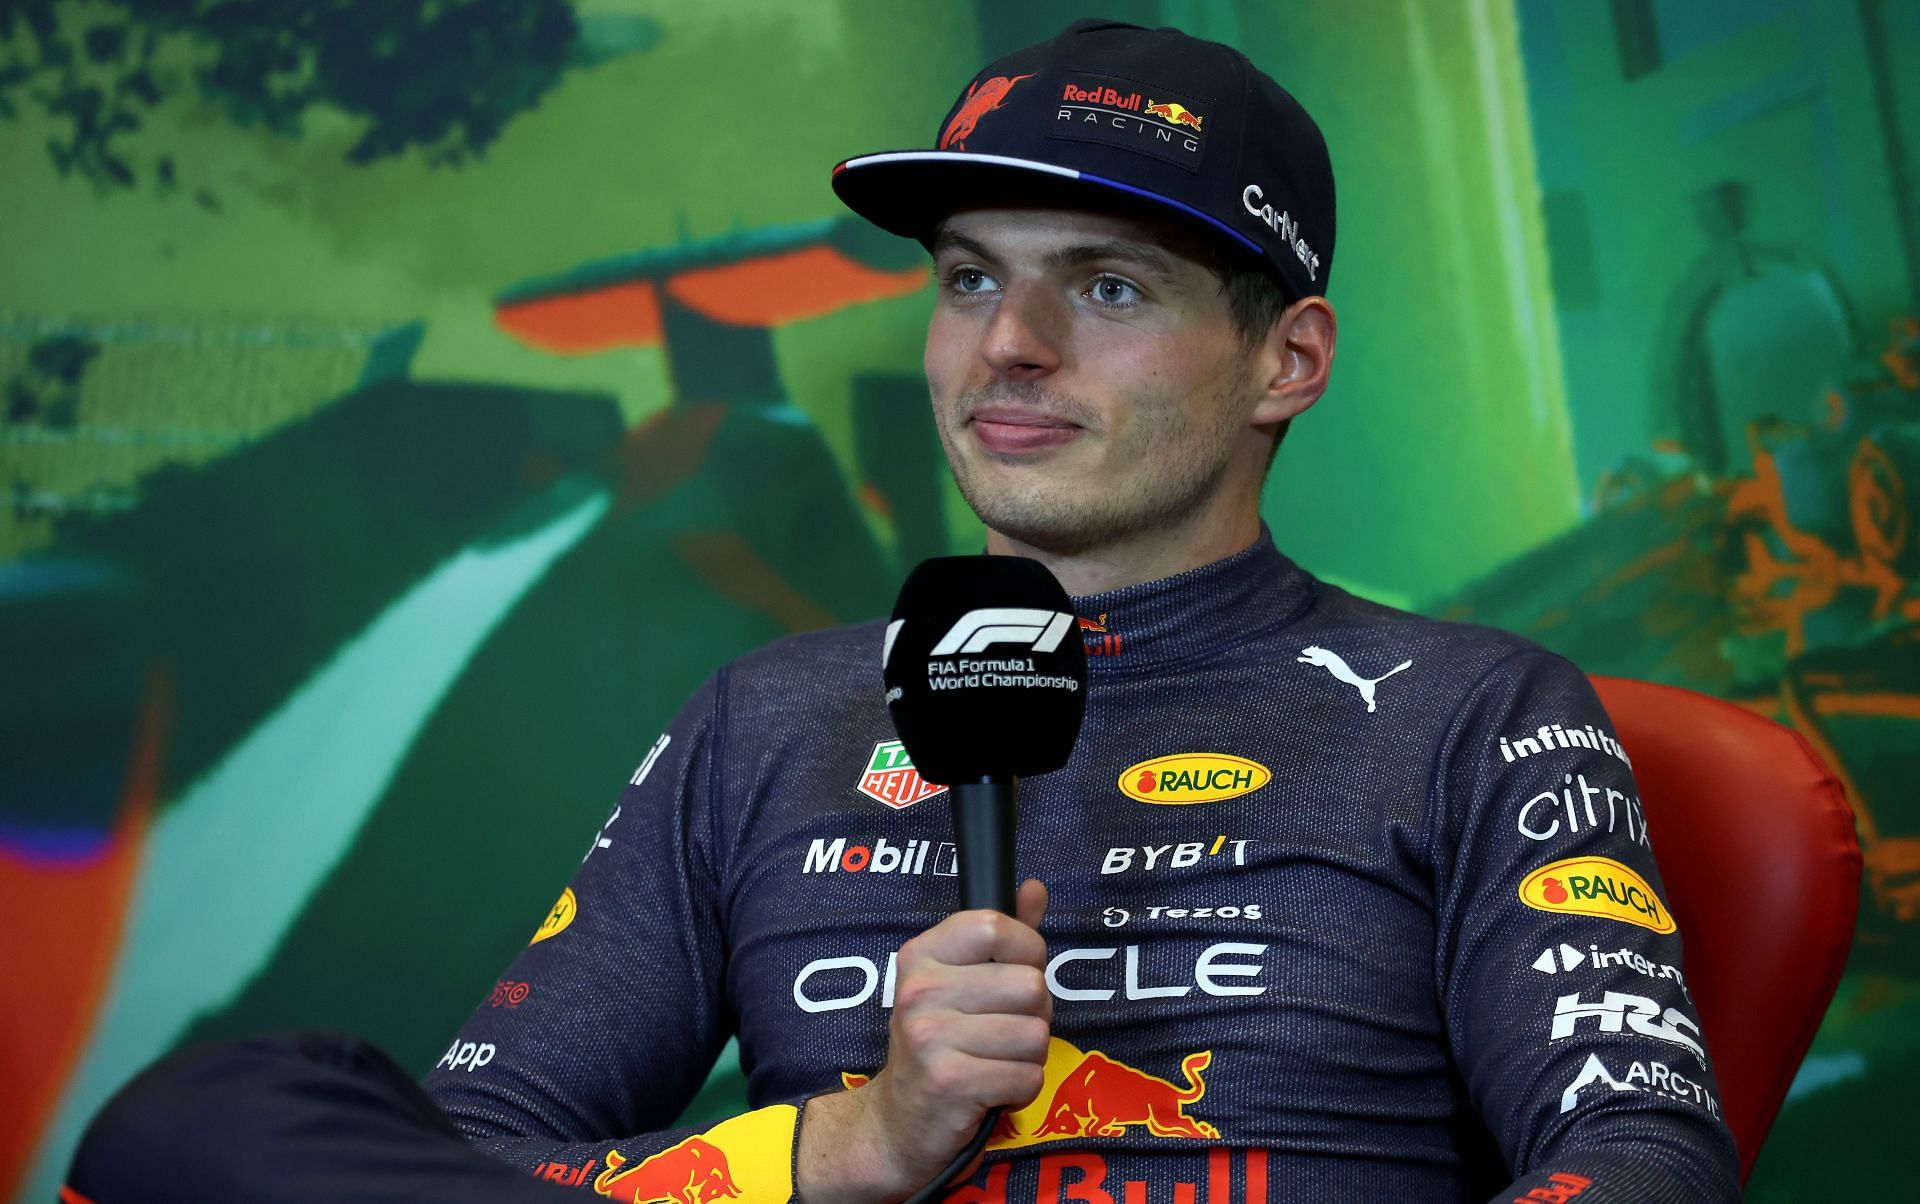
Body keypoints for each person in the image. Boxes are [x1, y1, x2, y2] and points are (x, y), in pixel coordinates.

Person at [65, 18, 1739, 1204]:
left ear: (1284, 360)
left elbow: (1642, 1157)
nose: (1005, 347)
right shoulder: (768, 716)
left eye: (1103, 284)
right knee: (222, 1113)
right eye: (965, 277)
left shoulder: (1478, 710)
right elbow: (473, 1154)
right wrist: (857, 1147)